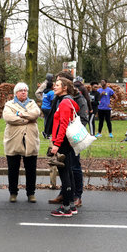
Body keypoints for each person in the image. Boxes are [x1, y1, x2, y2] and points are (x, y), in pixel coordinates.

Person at [2, 82, 40, 203]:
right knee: (13, 168)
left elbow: (36, 113)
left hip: (30, 140)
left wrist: (21, 114)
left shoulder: (32, 103)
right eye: (21, 90)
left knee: (31, 169)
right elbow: (8, 117)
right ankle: (13, 193)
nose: (24, 92)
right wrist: (27, 119)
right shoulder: (9, 104)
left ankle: (31, 193)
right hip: (13, 140)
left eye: (25, 90)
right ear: (16, 93)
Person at [49, 77, 80, 217]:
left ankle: (66, 207)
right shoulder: (67, 101)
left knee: (65, 173)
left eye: (57, 85)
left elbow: (63, 125)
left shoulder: (65, 103)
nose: (54, 87)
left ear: (65, 88)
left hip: (63, 142)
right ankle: (71, 205)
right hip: (66, 141)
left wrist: (56, 144)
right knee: (69, 172)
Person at [35, 73, 55, 138]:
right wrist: (43, 99)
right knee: (47, 120)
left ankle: (46, 132)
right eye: (52, 77)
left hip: (45, 105)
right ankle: (46, 133)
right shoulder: (44, 84)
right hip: (47, 105)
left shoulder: (50, 84)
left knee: (47, 119)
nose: (53, 79)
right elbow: (37, 92)